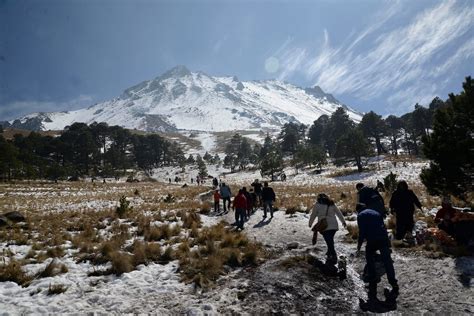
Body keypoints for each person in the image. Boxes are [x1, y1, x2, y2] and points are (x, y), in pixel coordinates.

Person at [357, 203, 398, 303]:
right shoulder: (376, 213)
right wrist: (388, 243)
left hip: (372, 240)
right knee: (387, 261)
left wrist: (359, 245)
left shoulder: (360, 215)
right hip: (383, 239)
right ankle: (393, 282)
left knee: (369, 257)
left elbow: (362, 231)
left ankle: (372, 277)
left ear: (358, 210)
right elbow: (383, 227)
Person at [308, 193, 347, 264]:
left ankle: (334, 256)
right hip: (334, 226)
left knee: (329, 241)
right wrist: (343, 222)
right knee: (330, 240)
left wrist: (310, 223)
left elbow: (313, 214)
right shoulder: (331, 203)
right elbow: (339, 213)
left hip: (324, 226)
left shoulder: (317, 205)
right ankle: (329, 253)